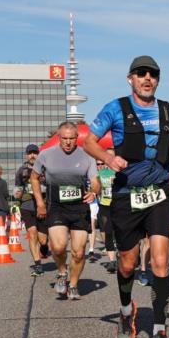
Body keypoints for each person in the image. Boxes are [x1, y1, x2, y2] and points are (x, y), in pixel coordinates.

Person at [83, 55, 169, 338]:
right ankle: (124, 312)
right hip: (125, 194)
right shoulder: (115, 109)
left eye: (153, 74)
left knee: (160, 262)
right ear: (130, 78)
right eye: (141, 73)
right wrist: (108, 159)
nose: (148, 78)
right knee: (128, 263)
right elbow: (89, 142)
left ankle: (159, 331)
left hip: (158, 191)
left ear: (158, 80)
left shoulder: (167, 110)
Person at [31, 123, 99, 300]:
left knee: (78, 252)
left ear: (77, 138)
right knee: (59, 246)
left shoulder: (87, 155)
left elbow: (95, 180)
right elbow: (34, 178)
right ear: (58, 137)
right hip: (56, 206)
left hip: (79, 206)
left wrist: (94, 192)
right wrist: (40, 202)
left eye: (72, 138)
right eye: (64, 138)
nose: (68, 142)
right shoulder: (46, 155)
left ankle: (74, 284)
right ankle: (62, 272)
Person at [15, 144, 50, 276]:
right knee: (32, 233)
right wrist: (17, 197)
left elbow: (51, 185)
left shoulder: (45, 169)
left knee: (43, 239)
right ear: (26, 155)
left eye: (35, 153)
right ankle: (38, 264)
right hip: (27, 205)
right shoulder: (21, 170)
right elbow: (17, 186)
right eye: (30, 153)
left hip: (42, 205)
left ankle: (45, 247)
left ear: (38, 154)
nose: (32, 155)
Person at [96, 150, 118, 273]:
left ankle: (122, 256)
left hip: (119, 206)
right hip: (105, 205)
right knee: (108, 232)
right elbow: (97, 188)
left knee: (121, 232)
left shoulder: (121, 171)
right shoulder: (101, 172)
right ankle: (112, 261)